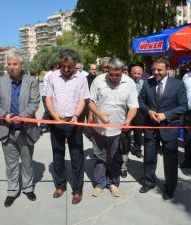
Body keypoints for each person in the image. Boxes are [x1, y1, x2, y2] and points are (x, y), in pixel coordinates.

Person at [0, 50, 40, 207]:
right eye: (9, 64)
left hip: (26, 130)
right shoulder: (2, 81)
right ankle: (12, 191)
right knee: (11, 164)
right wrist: (3, 114)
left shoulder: (31, 81)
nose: (12, 67)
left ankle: (28, 188)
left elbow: (34, 102)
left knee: (27, 162)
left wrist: (23, 115)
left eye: (15, 64)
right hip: (7, 129)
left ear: (21, 65)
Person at [138, 58, 188, 200]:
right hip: (151, 127)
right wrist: (148, 111)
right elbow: (140, 100)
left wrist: (166, 115)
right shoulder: (148, 83)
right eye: (154, 69)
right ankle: (149, 182)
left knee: (170, 160)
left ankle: (170, 187)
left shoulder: (178, 84)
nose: (156, 72)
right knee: (149, 156)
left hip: (169, 127)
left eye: (159, 70)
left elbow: (183, 106)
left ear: (167, 69)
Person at [89, 58, 138, 197]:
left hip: (119, 130)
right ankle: (100, 183)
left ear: (122, 71)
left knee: (117, 157)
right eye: (111, 74)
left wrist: (128, 121)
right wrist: (98, 114)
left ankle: (113, 183)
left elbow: (133, 106)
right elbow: (91, 102)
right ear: (107, 70)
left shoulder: (129, 83)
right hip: (99, 128)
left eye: (118, 74)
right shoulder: (98, 80)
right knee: (99, 157)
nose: (114, 77)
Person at [45, 49, 90, 204]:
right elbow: (48, 98)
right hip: (56, 122)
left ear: (75, 65)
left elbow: (83, 100)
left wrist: (76, 116)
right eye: (63, 66)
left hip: (74, 123)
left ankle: (77, 190)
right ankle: (60, 185)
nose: (65, 70)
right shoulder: (52, 77)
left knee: (77, 157)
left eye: (69, 67)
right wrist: (53, 114)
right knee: (58, 155)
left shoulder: (81, 78)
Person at [119, 65, 144, 178]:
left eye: (139, 73)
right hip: (126, 113)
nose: (136, 75)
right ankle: (124, 162)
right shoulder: (125, 83)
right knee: (125, 137)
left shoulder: (145, 84)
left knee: (138, 133)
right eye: (134, 73)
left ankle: (137, 148)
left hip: (139, 112)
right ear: (131, 73)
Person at [40, 62, 59, 134]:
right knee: (48, 112)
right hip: (47, 96)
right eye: (57, 68)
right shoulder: (49, 75)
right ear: (54, 67)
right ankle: (41, 126)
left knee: (52, 111)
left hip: (51, 96)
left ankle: (49, 127)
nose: (58, 69)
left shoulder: (53, 74)